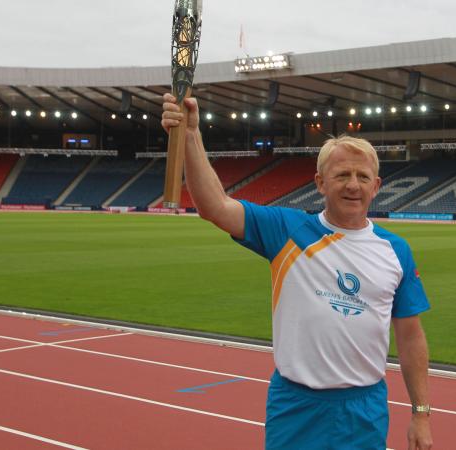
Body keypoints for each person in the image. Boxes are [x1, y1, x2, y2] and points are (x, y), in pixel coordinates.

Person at [162, 94, 434, 450]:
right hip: (295, 406)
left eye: (362, 176)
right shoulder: (287, 230)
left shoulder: (396, 251)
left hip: (363, 409)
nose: (353, 184)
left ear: (376, 185)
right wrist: (193, 134)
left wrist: (421, 413)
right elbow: (215, 205)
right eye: (342, 175)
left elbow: (411, 336)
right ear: (320, 183)